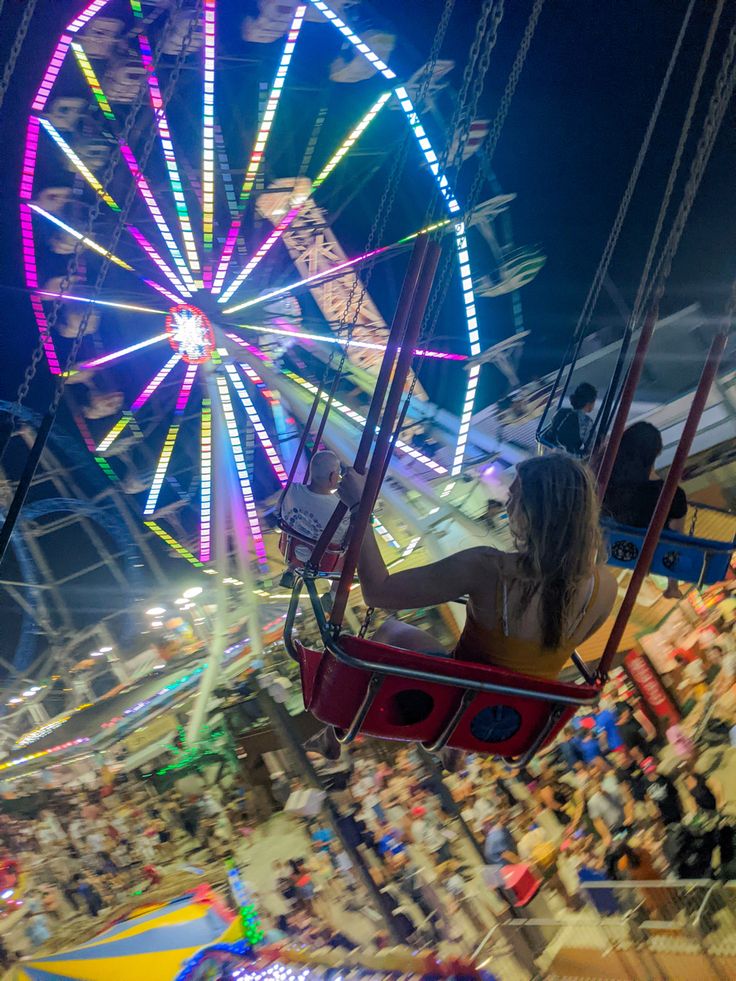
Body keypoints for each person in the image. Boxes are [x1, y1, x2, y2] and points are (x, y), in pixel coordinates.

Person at [308, 455, 617, 759]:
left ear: (537, 513)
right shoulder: (605, 587)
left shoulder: (488, 569)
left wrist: (360, 508)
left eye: (516, 498)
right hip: (517, 725)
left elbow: (378, 592)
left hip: (457, 709)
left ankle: (337, 726)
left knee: (390, 630)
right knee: (424, 641)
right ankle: (450, 751)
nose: (507, 508)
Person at [602, 421, 688, 599]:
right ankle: (672, 586)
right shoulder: (673, 494)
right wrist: (673, 585)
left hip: (610, 549)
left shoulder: (607, 484)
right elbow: (676, 541)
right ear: (656, 453)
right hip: (650, 557)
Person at [279, 450, 351, 562]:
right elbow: (342, 543)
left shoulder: (290, 490)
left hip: (289, 551)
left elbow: (278, 514)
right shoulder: (342, 510)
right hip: (323, 563)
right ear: (333, 476)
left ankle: (292, 567)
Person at [546, 382, 597, 455]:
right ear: (589, 403)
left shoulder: (560, 412)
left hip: (551, 452)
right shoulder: (587, 422)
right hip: (567, 459)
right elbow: (591, 448)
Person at [642, 758, 684, 826]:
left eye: (653, 771)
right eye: (649, 773)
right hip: (662, 812)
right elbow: (647, 796)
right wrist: (651, 805)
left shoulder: (663, 778)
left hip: (672, 807)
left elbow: (674, 794)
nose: (652, 774)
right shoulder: (644, 782)